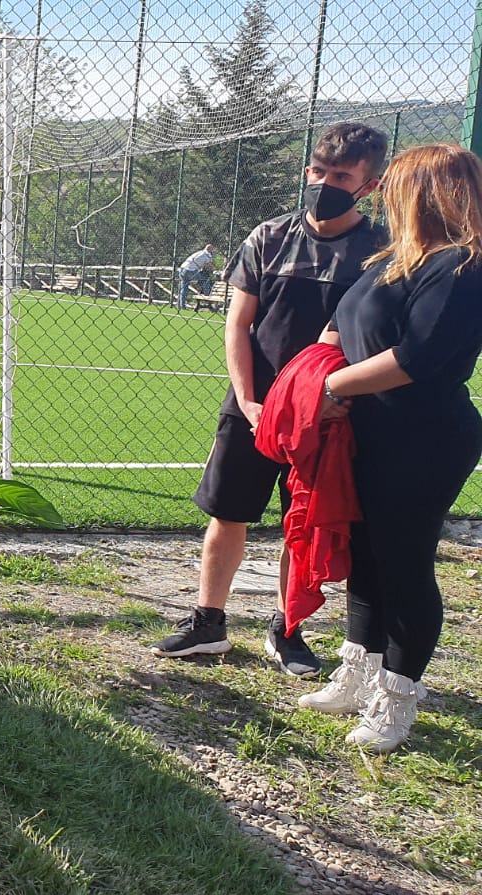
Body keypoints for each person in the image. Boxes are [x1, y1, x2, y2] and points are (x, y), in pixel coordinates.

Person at [151, 122, 388, 676]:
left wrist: (329, 399)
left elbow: (371, 333)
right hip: (255, 405)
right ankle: (207, 622)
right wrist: (249, 399)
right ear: (308, 170)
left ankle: (287, 630)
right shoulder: (269, 236)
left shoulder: (378, 250)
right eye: (319, 172)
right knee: (227, 511)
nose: (325, 184)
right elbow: (239, 325)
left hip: (330, 412)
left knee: (301, 520)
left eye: (342, 177)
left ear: (369, 186)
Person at [295, 143, 482, 752]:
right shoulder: (392, 258)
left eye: (395, 184)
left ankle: (398, 698)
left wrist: (329, 386)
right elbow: (343, 323)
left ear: (428, 193)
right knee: (366, 557)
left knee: (404, 563)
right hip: (368, 431)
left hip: (423, 438)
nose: (384, 195)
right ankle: (358, 672)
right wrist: (315, 372)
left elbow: (417, 358)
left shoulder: (461, 265)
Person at [176, 243, 218, 310]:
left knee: (183, 289)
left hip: (182, 269)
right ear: (210, 249)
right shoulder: (207, 255)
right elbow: (210, 265)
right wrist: (216, 270)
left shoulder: (199, 252)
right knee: (205, 279)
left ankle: (182, 307)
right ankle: (208, 296)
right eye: (212, 249)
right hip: (191, 271)